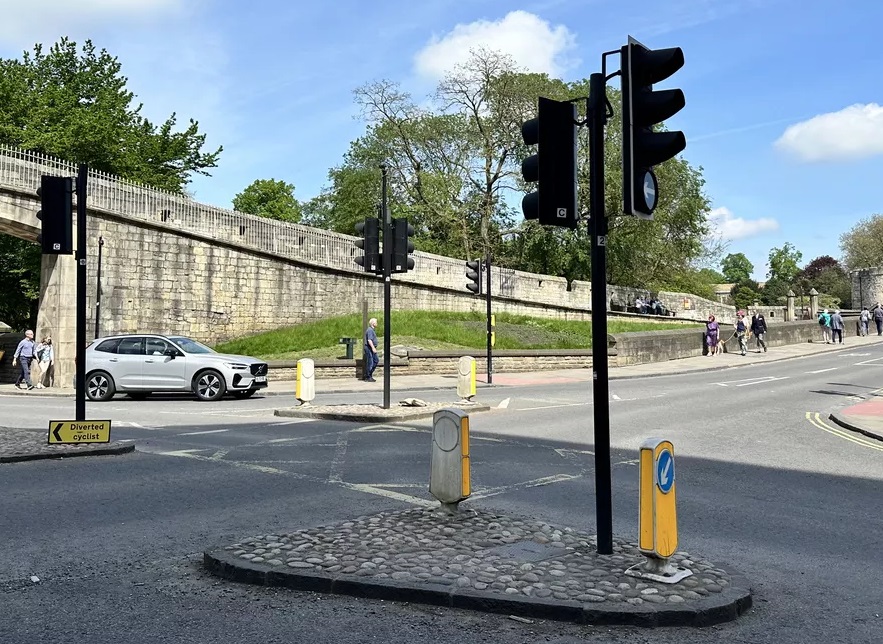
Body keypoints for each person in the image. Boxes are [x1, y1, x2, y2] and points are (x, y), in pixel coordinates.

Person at [363, 318, 379, 382]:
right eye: (376, 322)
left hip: (371, 348)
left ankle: (368, 374)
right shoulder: (370, 330)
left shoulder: (372, 330)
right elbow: (369, 340)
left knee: (376, 360)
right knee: (370, 362)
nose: (377, 323)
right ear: (373, 323)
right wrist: (373, 348)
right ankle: (367, 376)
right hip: (369, 348)